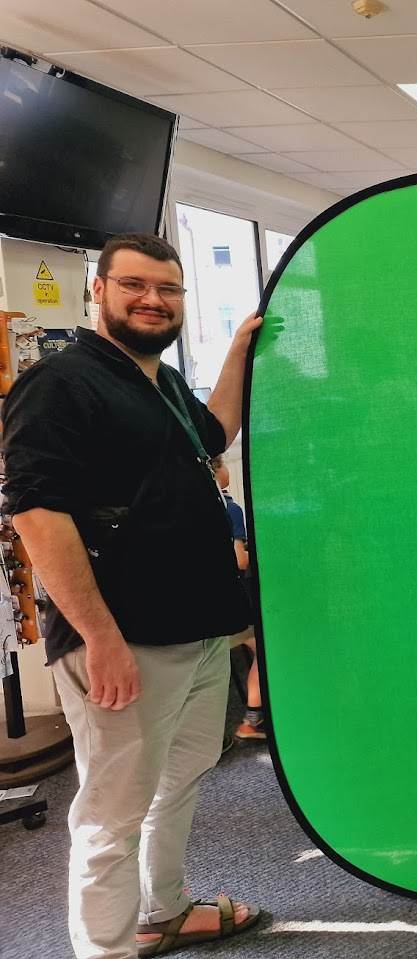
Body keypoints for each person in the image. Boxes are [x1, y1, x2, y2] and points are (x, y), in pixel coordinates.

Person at [2, 233, 264, 959]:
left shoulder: (161, 379)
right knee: (109, 817)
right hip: (124, 643)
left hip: (198, 631)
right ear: (99, 291)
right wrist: (100, 636)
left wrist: (242, 345)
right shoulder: (60, 385)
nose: (153, 300)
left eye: (168, 289)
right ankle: (107, 948)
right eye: (135, 286)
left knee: (178, 782)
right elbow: (35, 513)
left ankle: (166, 910)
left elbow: (214, 432)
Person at [210, 455, 264, 741]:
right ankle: (252, 721)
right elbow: (239, 561)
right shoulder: (230, 508)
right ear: (216, 470)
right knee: (268, 654)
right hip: (234, 606)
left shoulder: (195, 508)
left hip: (208, 610)